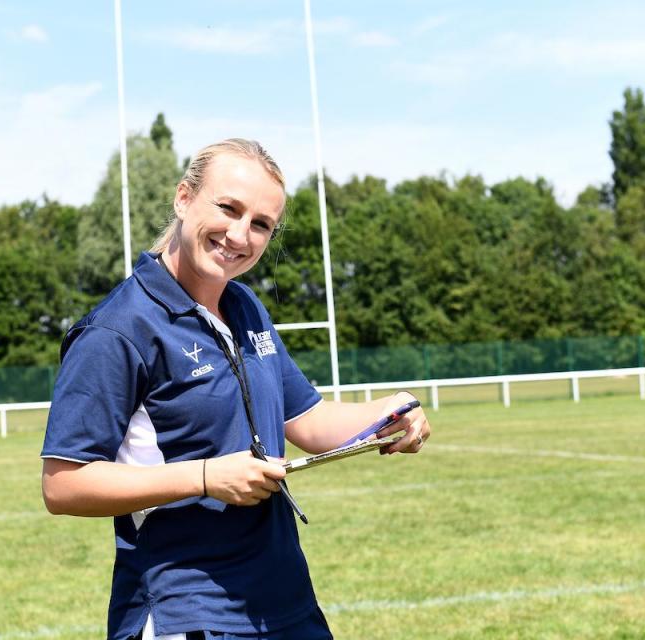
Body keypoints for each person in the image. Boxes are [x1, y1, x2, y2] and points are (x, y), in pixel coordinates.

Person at [41, 138, 431, 640]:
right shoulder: (116, 330)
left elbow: (306, 421)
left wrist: (391, 411)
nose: (239, 234)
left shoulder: (245, 307)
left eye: (261, 224)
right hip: (188, 610)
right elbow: (63, 484)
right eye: (228, 208)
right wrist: (205, 477)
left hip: (285, 603)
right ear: (184, 199)